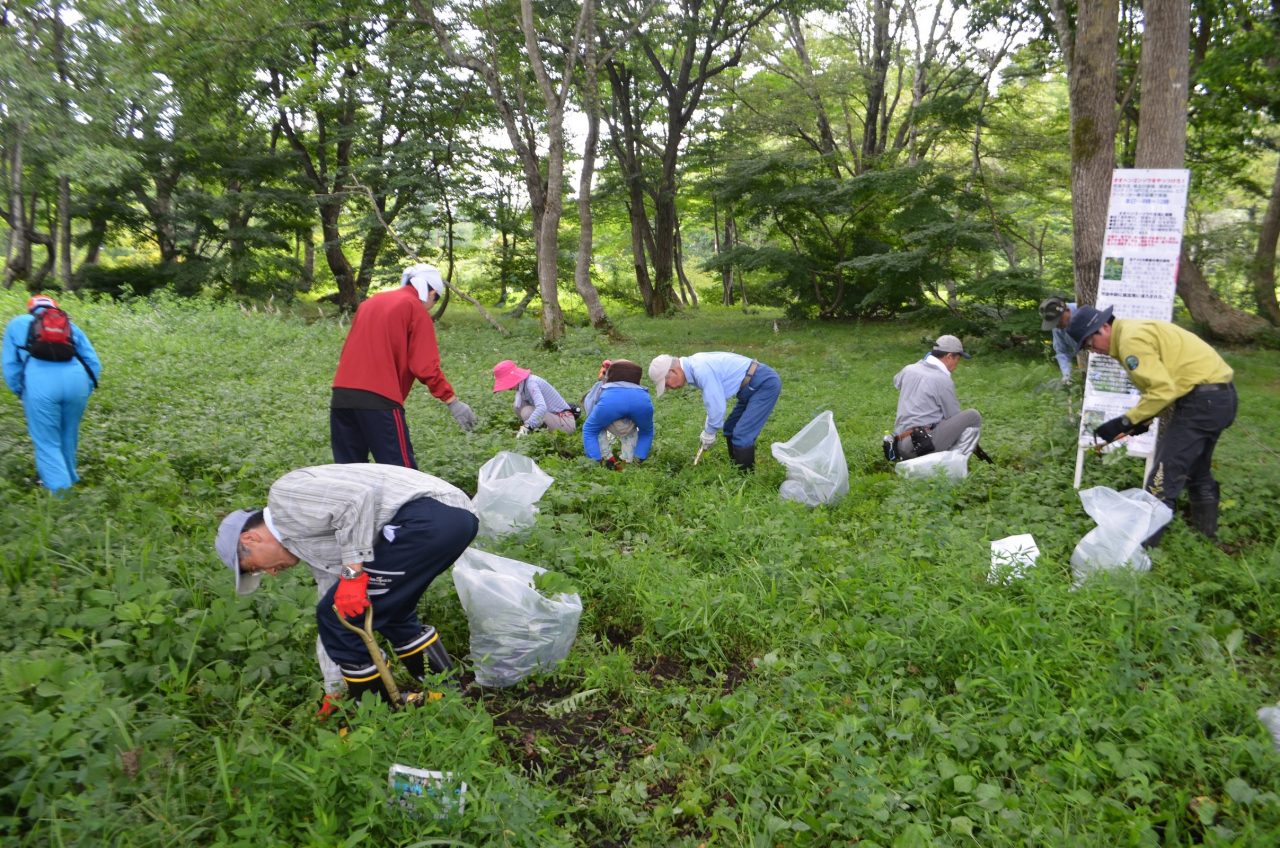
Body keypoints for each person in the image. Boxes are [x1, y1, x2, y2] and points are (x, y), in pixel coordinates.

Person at [214, 464, 479, 708]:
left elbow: (356, 499)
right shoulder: (307, 545)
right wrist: (335, 688)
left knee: (338, 617)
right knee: (379, 612)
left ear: (250, 538)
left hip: (432, 514)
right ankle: (446, 694)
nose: (270, 573)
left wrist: (352, 575)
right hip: (444, 521)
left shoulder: (284, 498)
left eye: (255, 567)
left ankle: (378, 714)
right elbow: (334, 606)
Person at [1067, 305, 1236, 540]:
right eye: (1086, 347)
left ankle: (1143, 552)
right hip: (1218, 398)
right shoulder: (1131, 332)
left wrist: (1124, 422)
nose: (1092, 350)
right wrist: (1139, 424)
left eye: (1089, 343)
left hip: (1202, 403)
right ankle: (1207, 540)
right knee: (1197, 470)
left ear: (1104, 327)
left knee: (1161, 478)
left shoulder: (1129, 342)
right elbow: (1167, 387)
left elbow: (1162, 391)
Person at [330, 263, 477, 468]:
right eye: (435, 300)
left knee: (350, 471)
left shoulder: (370, 303)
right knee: (402, 474)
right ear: (431, 292)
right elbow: (424, 366)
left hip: (341, 396)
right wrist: (452, 401)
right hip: (379, 400)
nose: (432, 305)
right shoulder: (414, 308)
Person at [2, 295, 102, 493]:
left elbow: (10, 366)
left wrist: (21, 391)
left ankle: (61, 496)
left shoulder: (17, 324)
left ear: (31, 309)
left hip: (40, 384)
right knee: (68, 435)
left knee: (47, 442)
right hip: (77, 383)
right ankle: (69, 479)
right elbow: (94, 363)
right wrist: (86, 389)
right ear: (55, 308)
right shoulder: (72, 327)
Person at [648, 352, 781, 472]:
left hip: (763, 383)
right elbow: (713, 398)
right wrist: (709, 426)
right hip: (748, 387)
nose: (668, 388)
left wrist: (710, 431)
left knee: (742, 433)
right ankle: (735, 470)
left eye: (666, 384)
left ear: (674, 371)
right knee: (730, 428)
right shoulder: (694, 367)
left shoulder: (700, 369)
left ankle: (746, 482)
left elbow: (717, 405)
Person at [888, 335, 983, 461]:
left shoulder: (909, 369)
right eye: (958, 359)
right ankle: (956, 463)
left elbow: (897, 382)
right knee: (973, 416)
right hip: (921, 445)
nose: (957, 364)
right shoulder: (942, 380)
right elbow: (953, 416)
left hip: (899, 444)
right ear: (949, 356)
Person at [580, 359, 654, 469]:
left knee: (591, 429)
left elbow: (590, 406)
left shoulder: (603, 386)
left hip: (611, 400)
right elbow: (646, 432)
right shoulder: (639, 388)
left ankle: (599, 460)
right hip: (641, 400)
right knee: (646, 431)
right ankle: (635, 461)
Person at [491, 360, 576, 435]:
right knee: (518, 406)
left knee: (527, 412)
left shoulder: (531, 383)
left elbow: (542, 407)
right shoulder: (522, 386)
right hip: (552, 417)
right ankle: (536, 430)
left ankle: (542, 434)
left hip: (565, 423)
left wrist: (527, 426)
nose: (508, 388)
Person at [1040, 296, 1078, 384]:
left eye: (1058, 321)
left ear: (1067, 310)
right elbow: (1062, 352)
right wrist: (1067, 375)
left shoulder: (1084, 309)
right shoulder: (1057, 328)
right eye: (1053, 323)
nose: (1057, 326)